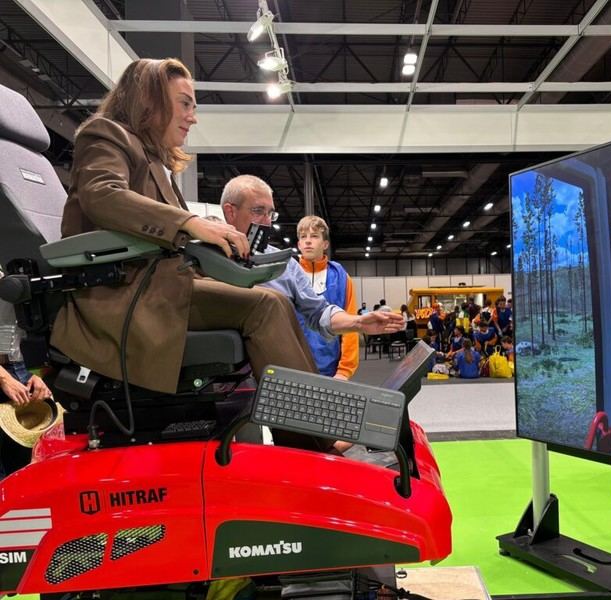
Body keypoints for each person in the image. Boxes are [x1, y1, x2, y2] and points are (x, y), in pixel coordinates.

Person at [50, 58, 401, 450]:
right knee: (264, 306)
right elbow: (103, 196)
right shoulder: (105, 133)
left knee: (273, 300)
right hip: (123, 299)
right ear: (150, 99)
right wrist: (190, 223)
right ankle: (310, 439)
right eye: (185, 104)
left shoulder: (155, 161)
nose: (192, 117)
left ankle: (316, 424)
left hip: (156, 290)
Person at [219, 175, 402, 364]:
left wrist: (358, 323)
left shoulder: (286, 265)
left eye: (270, 214)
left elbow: (319, 312)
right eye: (258, 211)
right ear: (230, 212)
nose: (267, 222)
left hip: (276, 372)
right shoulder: (201, 256)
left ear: (325, 244)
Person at [294, 215, 358, 380]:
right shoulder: (286, 275)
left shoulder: (341, 278)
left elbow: (351, 327)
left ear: (325, 244)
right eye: (303, 237)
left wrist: (345, 370)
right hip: (292, 366)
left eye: (314, 236)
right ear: (298, 244)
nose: (308, 241)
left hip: (330, 370)